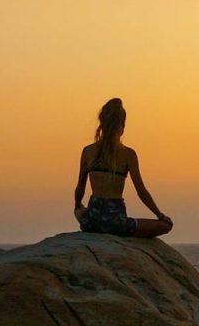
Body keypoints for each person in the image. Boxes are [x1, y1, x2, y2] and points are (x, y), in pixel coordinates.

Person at [73, 98, 173, 237]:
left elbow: (80, 189)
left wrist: (77, 206)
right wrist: (159, 214)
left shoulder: (88, 151)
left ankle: (85, 214)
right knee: (165, 226)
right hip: (116, 223)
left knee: (79, 211)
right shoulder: (128, 154)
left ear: (102, 123)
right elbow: (141, 191)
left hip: (91, 221)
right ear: (122, 126)